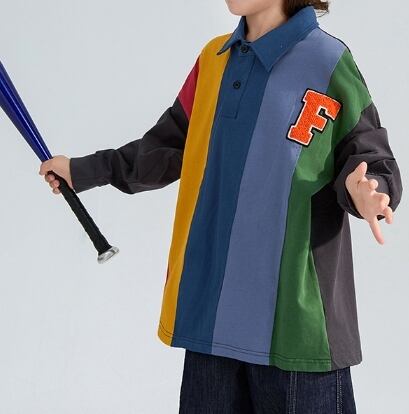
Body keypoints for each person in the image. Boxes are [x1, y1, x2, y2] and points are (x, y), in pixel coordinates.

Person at [39, 0, 403, 412]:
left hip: (299, 328)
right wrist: (84, 170)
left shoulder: (328, 60)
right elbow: (164, 150)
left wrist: (370, 190)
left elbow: (370, 156)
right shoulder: (213, 61)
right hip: (211, 321)